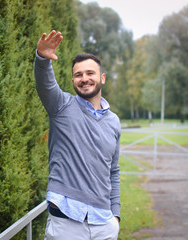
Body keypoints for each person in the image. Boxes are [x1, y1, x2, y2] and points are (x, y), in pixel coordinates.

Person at [34, 30, 121, 240]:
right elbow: (45, 85)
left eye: (90, 73)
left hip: (104, 222)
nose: (84, 79)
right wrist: (42, 59)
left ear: (102, 78)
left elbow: (113, 170)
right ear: (73, 80)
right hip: (66, 219)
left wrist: (115, 215)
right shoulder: (61, 105)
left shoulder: (114, 122)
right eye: (78, 75)